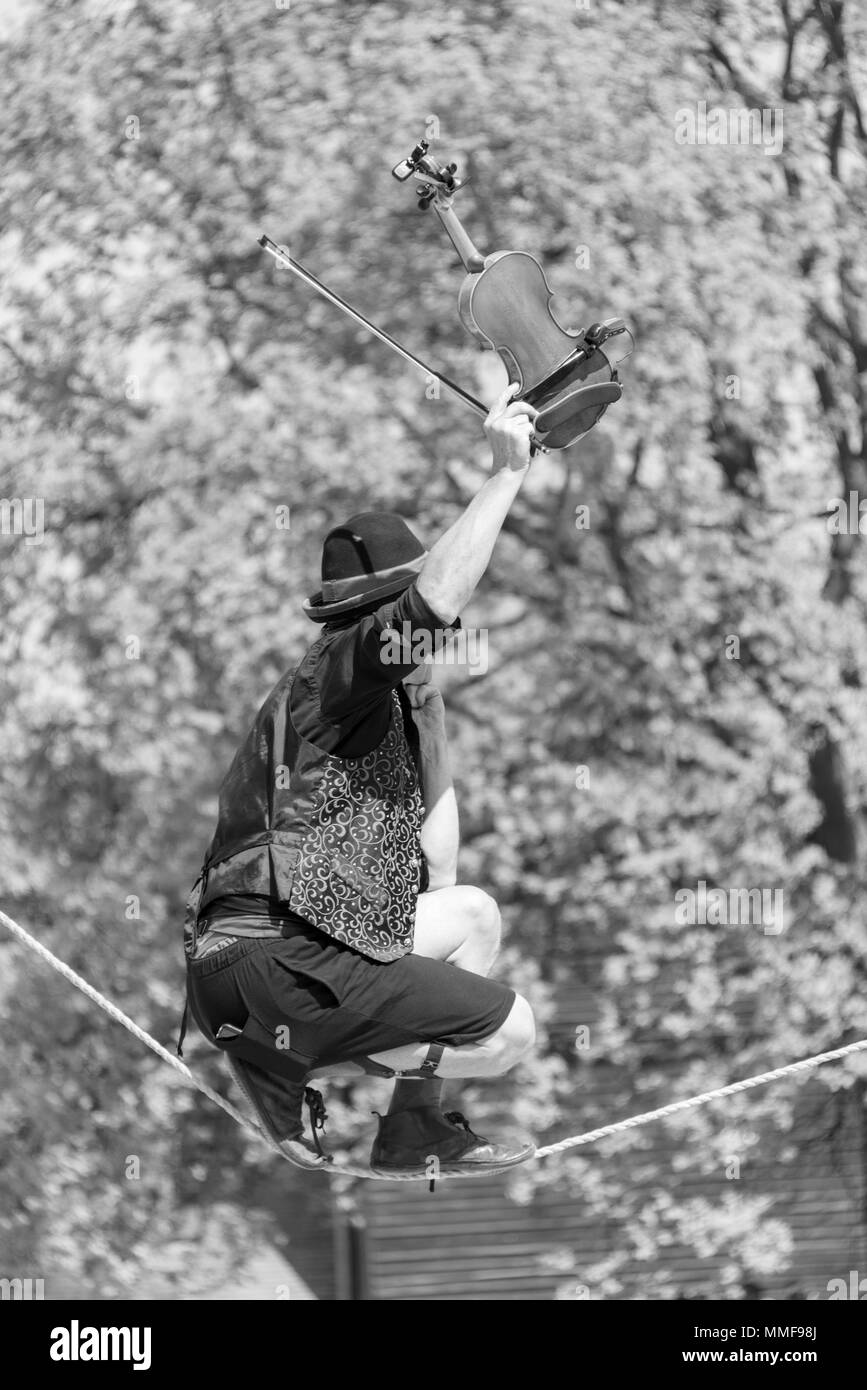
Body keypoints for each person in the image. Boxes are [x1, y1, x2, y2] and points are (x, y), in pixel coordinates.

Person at [181, 386, 539, 1176]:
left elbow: (439, 862)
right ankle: (291, 1061)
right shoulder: (343, 669)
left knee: (473, 916)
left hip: (247, 968)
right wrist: (504, 476)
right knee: (512, 1032)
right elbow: (436, 602)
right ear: (376, 614)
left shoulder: (366, 701)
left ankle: (412, 1124)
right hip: (276, 964)